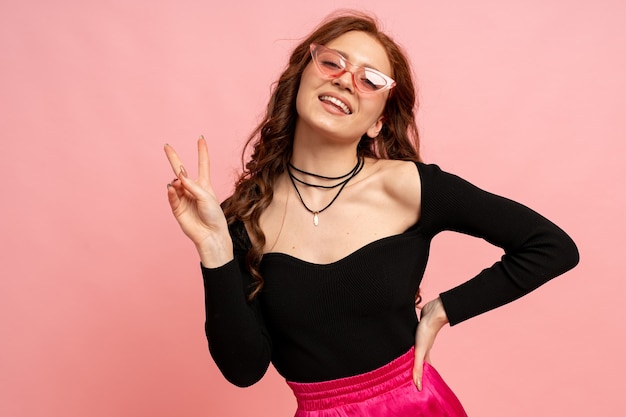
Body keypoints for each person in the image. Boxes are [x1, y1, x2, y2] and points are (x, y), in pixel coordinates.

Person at [164, 11, 579, 417]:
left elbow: (551, 246)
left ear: (378, 122)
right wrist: (215, 250)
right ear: (300, 78)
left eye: (370, 79)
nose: (345, 79)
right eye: (332, 63)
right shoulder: (241, 218)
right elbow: (243, 370)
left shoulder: (408, 186)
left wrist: (443, 309)